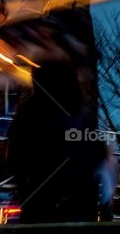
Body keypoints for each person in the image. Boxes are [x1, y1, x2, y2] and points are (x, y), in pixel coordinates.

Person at [8, 61, 104, 223]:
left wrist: (23, 181)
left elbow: (17, 152)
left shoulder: (31, 110)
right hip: (79, 195)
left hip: (40, 193)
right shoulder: (82, 111)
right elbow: (94, 152)